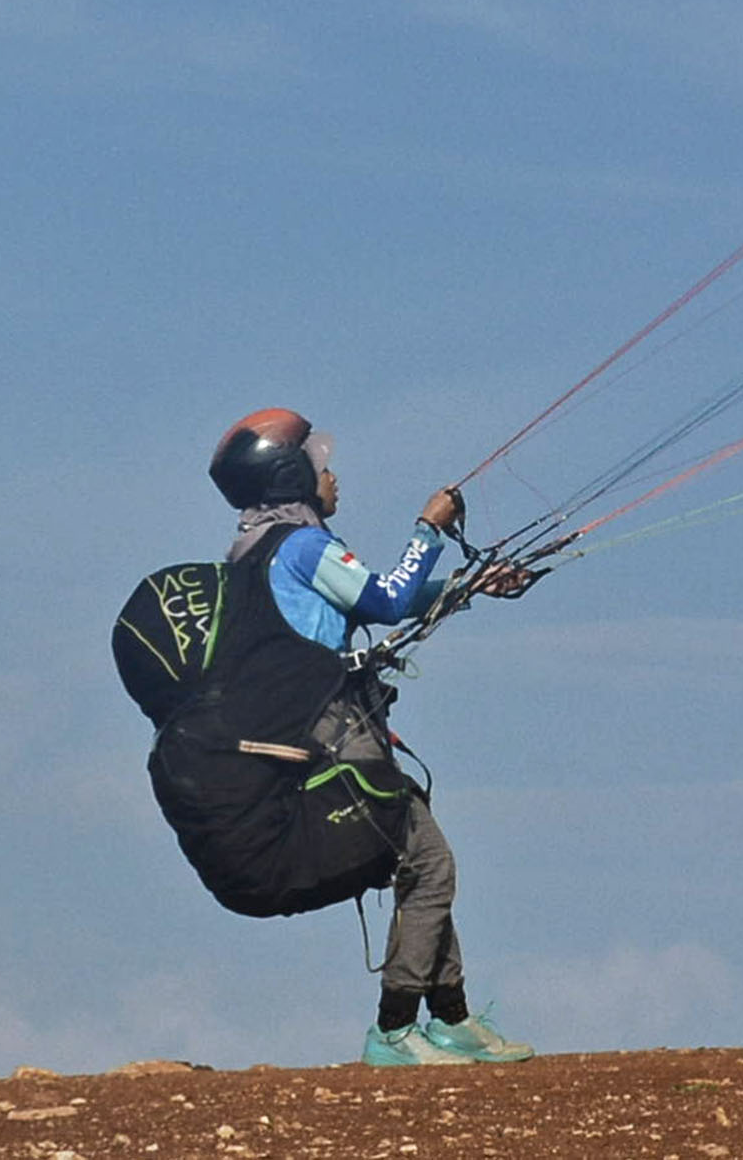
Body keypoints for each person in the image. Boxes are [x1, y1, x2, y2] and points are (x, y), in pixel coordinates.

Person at [210, 408, 539, 1065]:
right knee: (429, 863)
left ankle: (451, 1017)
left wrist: (470, 585)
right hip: (333, 732)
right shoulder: (303, 546)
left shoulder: (254, 551)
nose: (332, 476)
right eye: (320, 466)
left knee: (421, 858)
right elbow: (387, 599)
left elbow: (373, 597)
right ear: (291, 476)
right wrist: (429, 529)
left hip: (303, 732)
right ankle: (394, 1028)